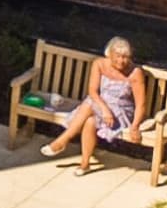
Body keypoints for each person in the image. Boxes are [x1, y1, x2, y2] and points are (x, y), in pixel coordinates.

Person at [41, 37, 148, 170]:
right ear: (109, 54)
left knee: (89, 105)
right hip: (100, 106)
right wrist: (105, 109)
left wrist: (135, 126)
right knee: (90, 120)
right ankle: (85, 164)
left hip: (120, 111)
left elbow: (141, 104)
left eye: (125, 57)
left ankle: (62, 140)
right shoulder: (99, 64)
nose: (121, 61)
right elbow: (92, 90)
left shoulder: (135, 73)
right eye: (118, 56)